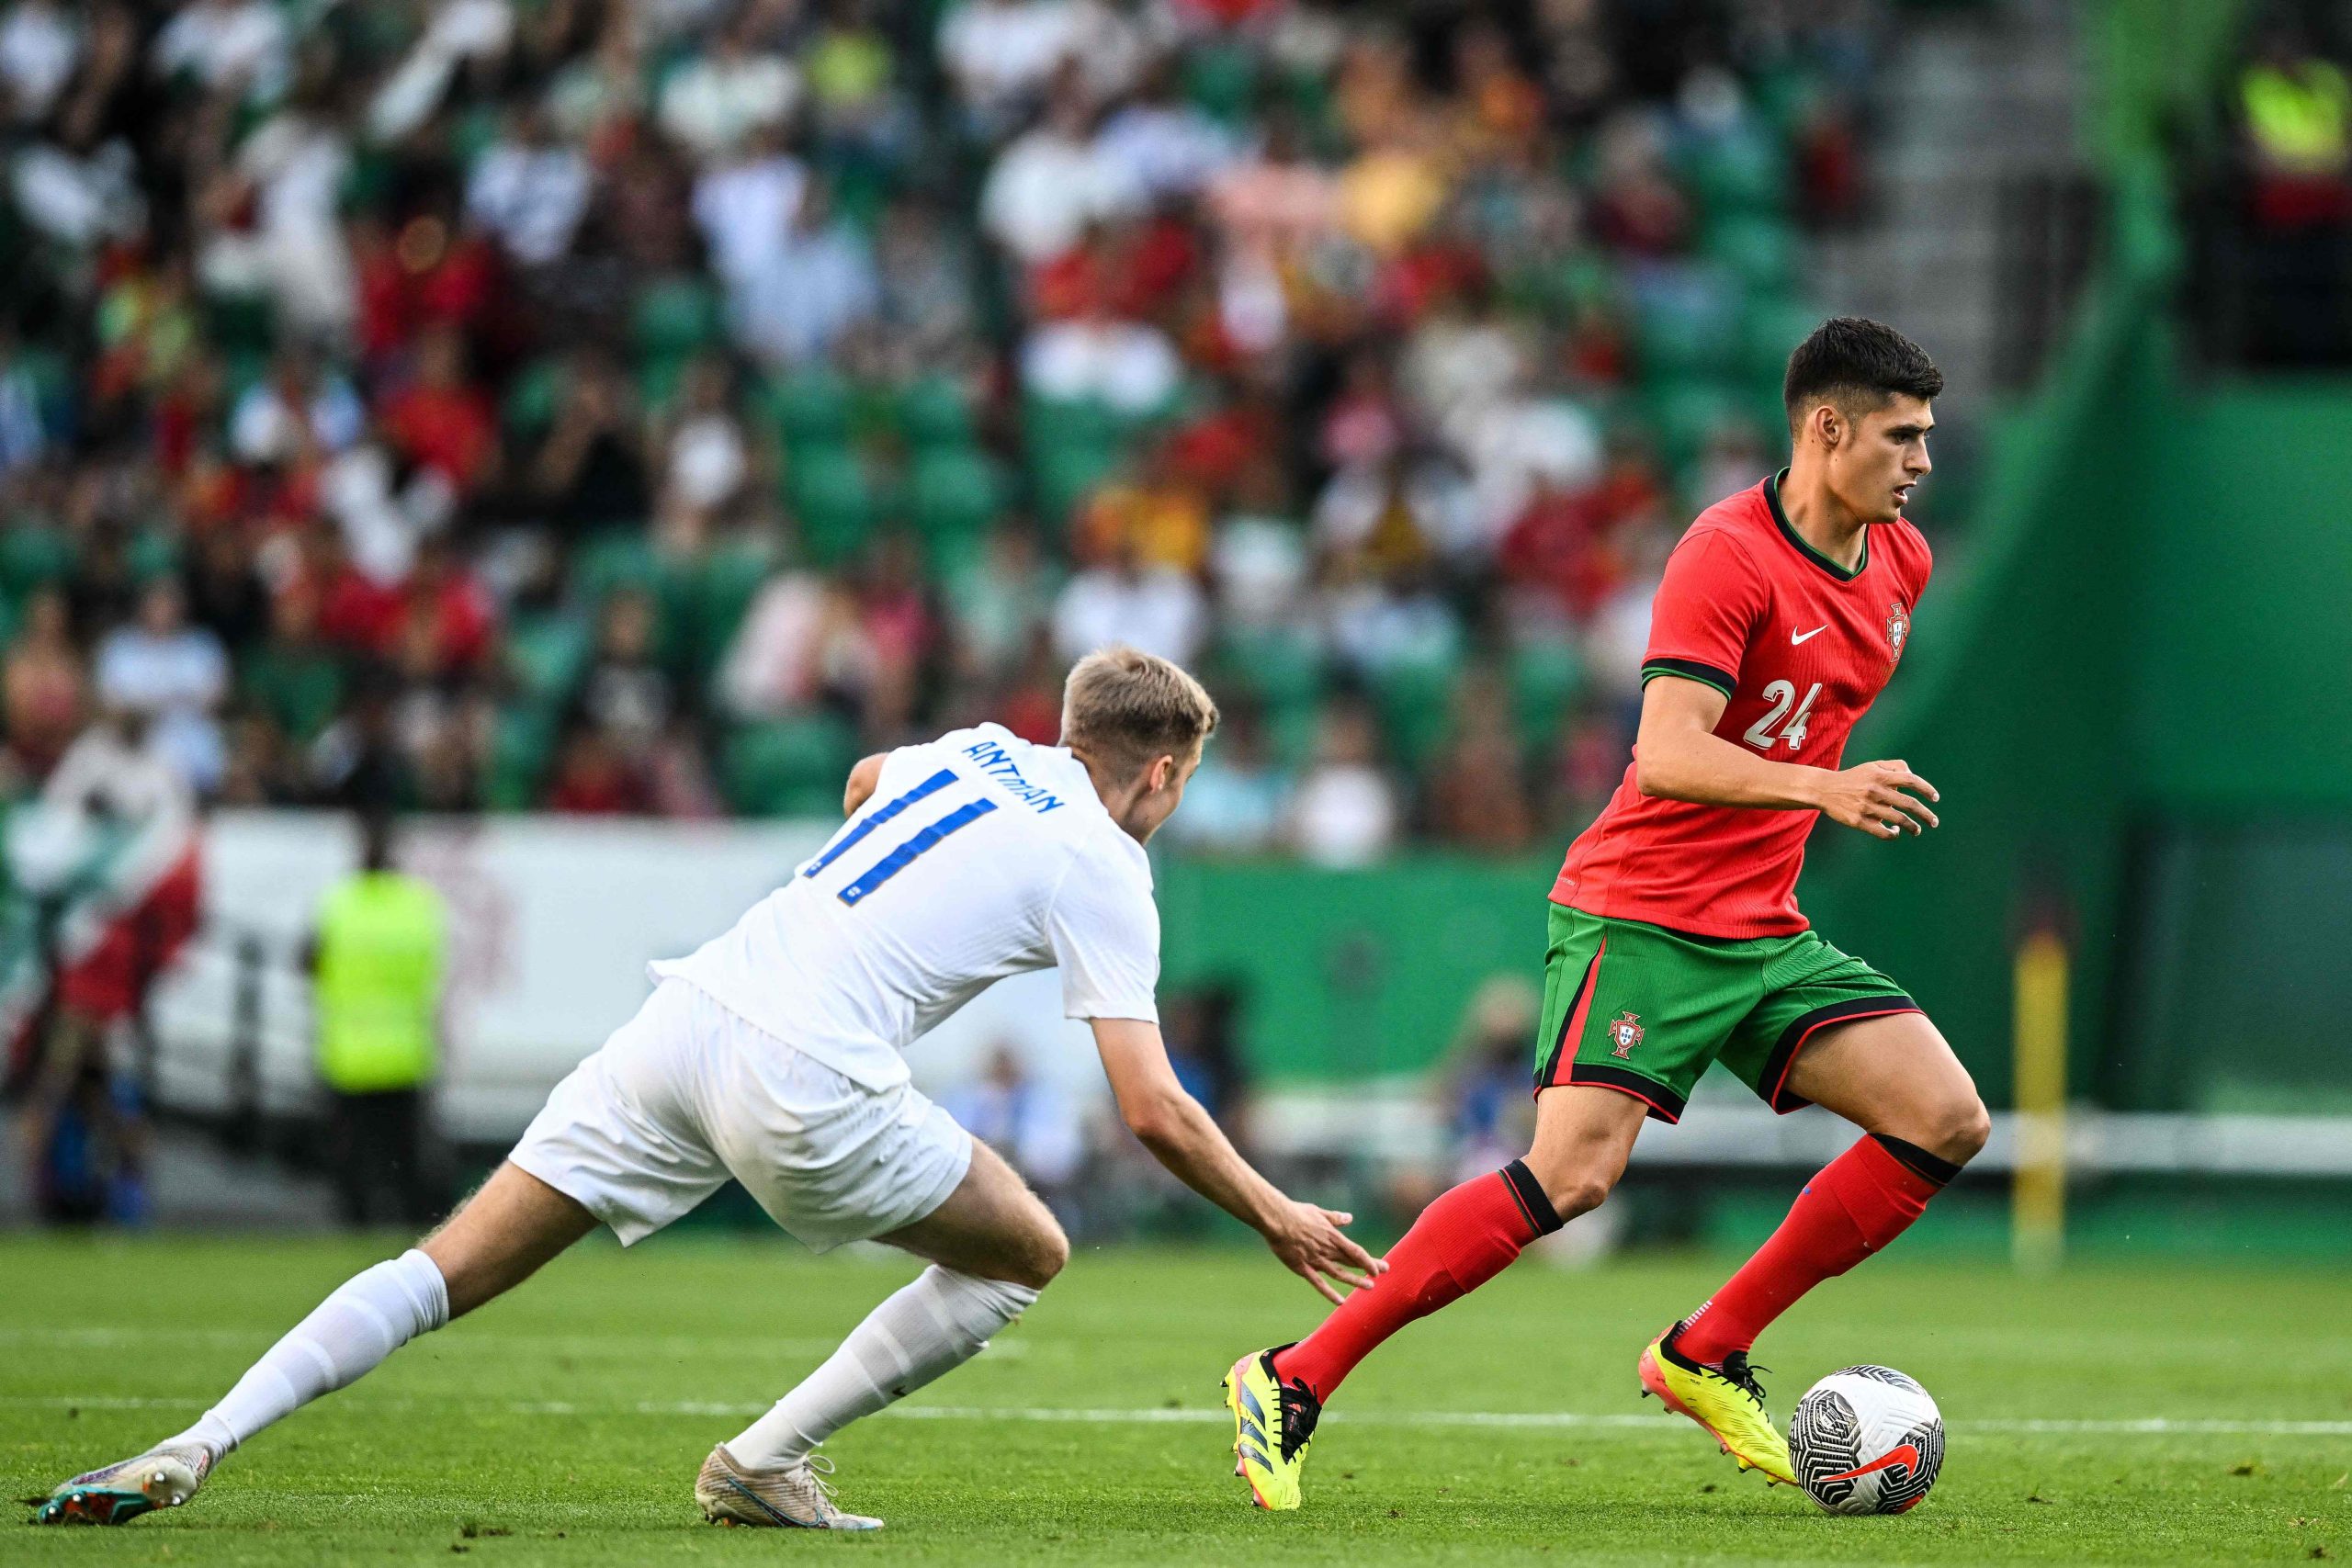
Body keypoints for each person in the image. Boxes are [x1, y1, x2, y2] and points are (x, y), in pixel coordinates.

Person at [35, 647, 1376, 1530]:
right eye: (1179, 787)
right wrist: (1268, 1207)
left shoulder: (974, 747)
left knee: (445, 1263)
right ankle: (757, 1461)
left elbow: (864, 781)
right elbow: (1150, 1103)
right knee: (1027, 1246)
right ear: (1155, 770)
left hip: (690, 1016)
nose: (1172, 806)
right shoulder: (1109, 858)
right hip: (807, 1074)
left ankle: (200, 1439)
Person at [1223, 318, 1990, 1509]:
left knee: (1945, 1115)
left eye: (1927, 436)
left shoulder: (1903, 564)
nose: (1922, 459)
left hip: (1763, 927)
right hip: (1643, 912)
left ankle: (1704, 1349)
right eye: (1903, 434)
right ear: (1825, 428)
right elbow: (1670, 752)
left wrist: (1803, 801)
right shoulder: (1725, 554)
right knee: (1570, 1177)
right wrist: (1823, 786)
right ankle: (1291, 1375)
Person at [308, 811, 449, 1227]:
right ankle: (410, 1227)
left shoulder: (339, 902)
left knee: (350, 1154)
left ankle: (355, 1226)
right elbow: (433, 968)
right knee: (403, 1153)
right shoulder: (418, 904)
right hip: (405, 1050)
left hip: (348, 1051)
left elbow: (310, 960)